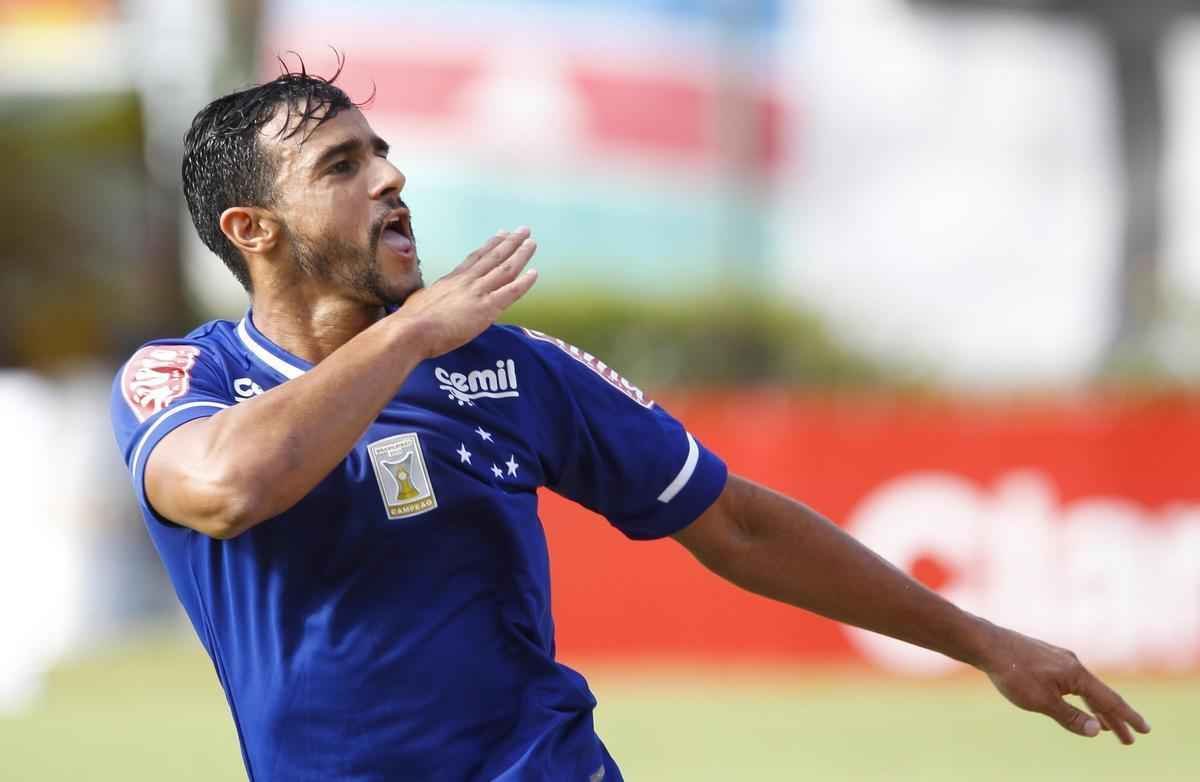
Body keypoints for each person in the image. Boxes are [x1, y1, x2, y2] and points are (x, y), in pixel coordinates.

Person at [110, 62, 1149, 782]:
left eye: (382, 151)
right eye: (341, 166)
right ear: (254, 230)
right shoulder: (183, 375)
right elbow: (228, 485)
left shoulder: (510, 368)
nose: (391, 176)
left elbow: (735, 522)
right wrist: (409, 339)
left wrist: (980, 639)